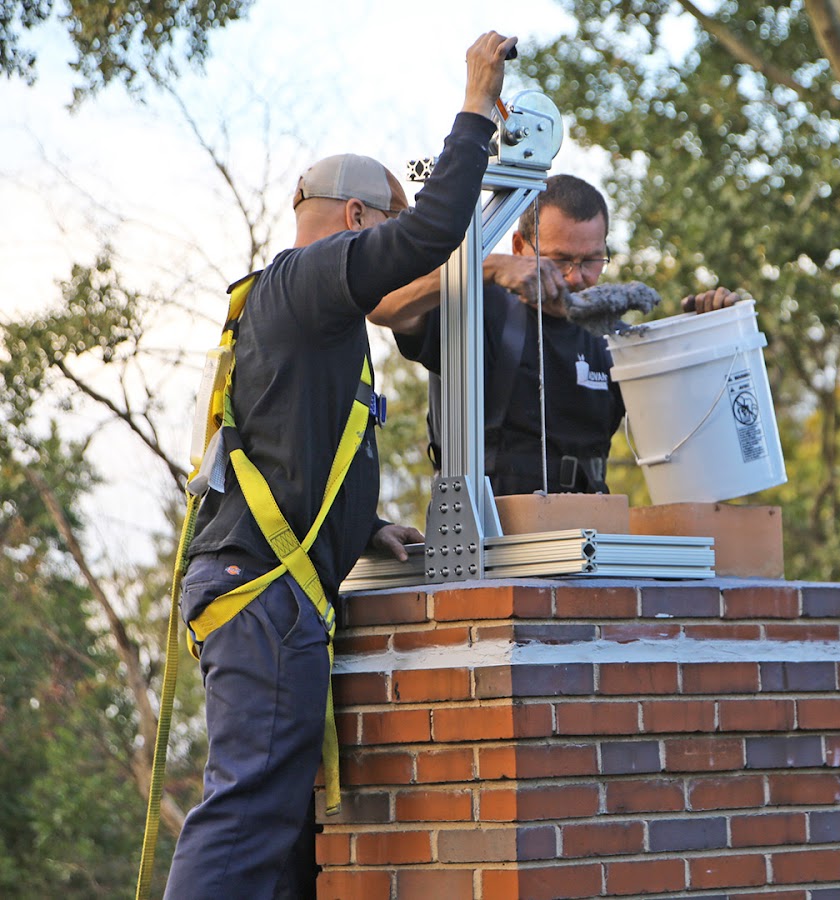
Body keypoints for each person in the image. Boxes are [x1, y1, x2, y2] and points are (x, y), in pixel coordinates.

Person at [163, 30, 518, 899]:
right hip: (264, 597)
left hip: (265, 588)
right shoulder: (312, 279)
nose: (393, 247)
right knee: (248, 816)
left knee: (280, 835)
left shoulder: (297, 312)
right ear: (356, 220)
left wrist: (366, 525)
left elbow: (288, 451)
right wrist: (476, 104)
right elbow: (433, 235)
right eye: (385, 229)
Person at [369, 173, 738, 495]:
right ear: (519, 247)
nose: (576, 278)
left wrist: (712, 336)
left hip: (589, 538)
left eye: (592, 260)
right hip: (486, 536)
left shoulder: (616, 339)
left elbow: (687, 440)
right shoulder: (475, 309)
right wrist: (487, 267)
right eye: (560, 260)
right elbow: (382, 305)